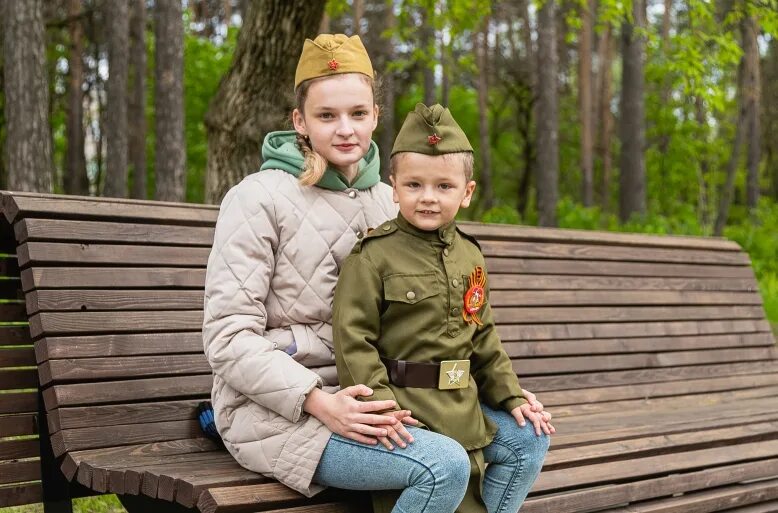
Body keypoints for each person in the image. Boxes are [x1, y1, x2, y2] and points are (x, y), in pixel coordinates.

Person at [202, 34, 551, 512]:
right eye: (326, 116)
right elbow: (226, 338)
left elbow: (443, 312)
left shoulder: (393, 199)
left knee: (525, 439)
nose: (345, 129)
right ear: (299, 121)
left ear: (376, 116)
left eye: (358, 114)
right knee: (441, 465)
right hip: (282, 411)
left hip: (392, 393)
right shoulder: (257, 198)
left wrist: (502, 392)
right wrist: (320, 401)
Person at [330, 103, 552, 513]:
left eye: (443, 187)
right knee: (443, 467)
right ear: (393, 188)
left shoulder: (470, 256)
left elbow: (483, 336)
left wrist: (513, 398)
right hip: (405, 407)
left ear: (466, 193)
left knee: (532, 436)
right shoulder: (373, 256)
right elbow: (353, 341)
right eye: (414, 185)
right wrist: (381, 409)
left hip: (461, 404)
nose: (428, 198)